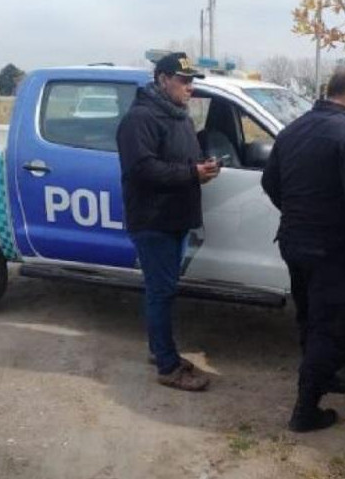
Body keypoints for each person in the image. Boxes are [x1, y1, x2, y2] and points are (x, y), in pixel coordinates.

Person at [262, 66, 345, 432]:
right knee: (327, 326)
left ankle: (325, 375)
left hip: (293, 241)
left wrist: (298, 210)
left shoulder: (292, 130)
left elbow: (271, 182)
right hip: (330, 248)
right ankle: (306, 411)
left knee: (309, 316)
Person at [117, 52, 221, 392]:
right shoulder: (140, 119)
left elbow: (177, 161)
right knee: (161, 292)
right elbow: (142, 169)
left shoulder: (179, 116)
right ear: (162, 79)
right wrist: (191, 173)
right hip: (154, 219)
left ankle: (159, 349)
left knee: (164, 290)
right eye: (184, 80)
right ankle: (167, 366)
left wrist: (200, 168)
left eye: (193, 81)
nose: (190, 87)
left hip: (175, 217)